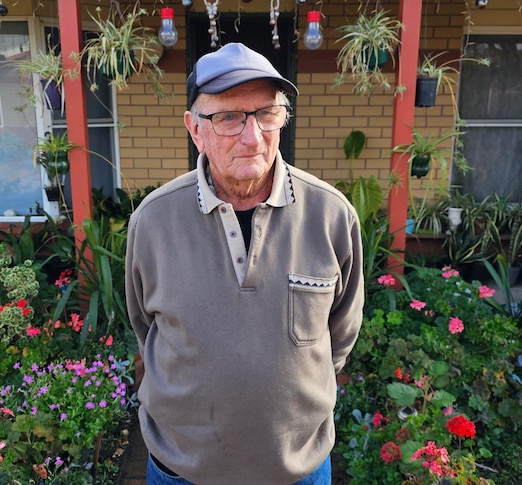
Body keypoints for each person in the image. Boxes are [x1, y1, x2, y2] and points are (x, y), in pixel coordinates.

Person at [125, 42, 364, 484]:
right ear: (195, 129)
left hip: (298, 471)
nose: (252, 137)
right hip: (183, 471)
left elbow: (340, 334)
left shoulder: (331, 215)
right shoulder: (153, 220)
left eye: (266, 114)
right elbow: (145, 325)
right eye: (229, 118)